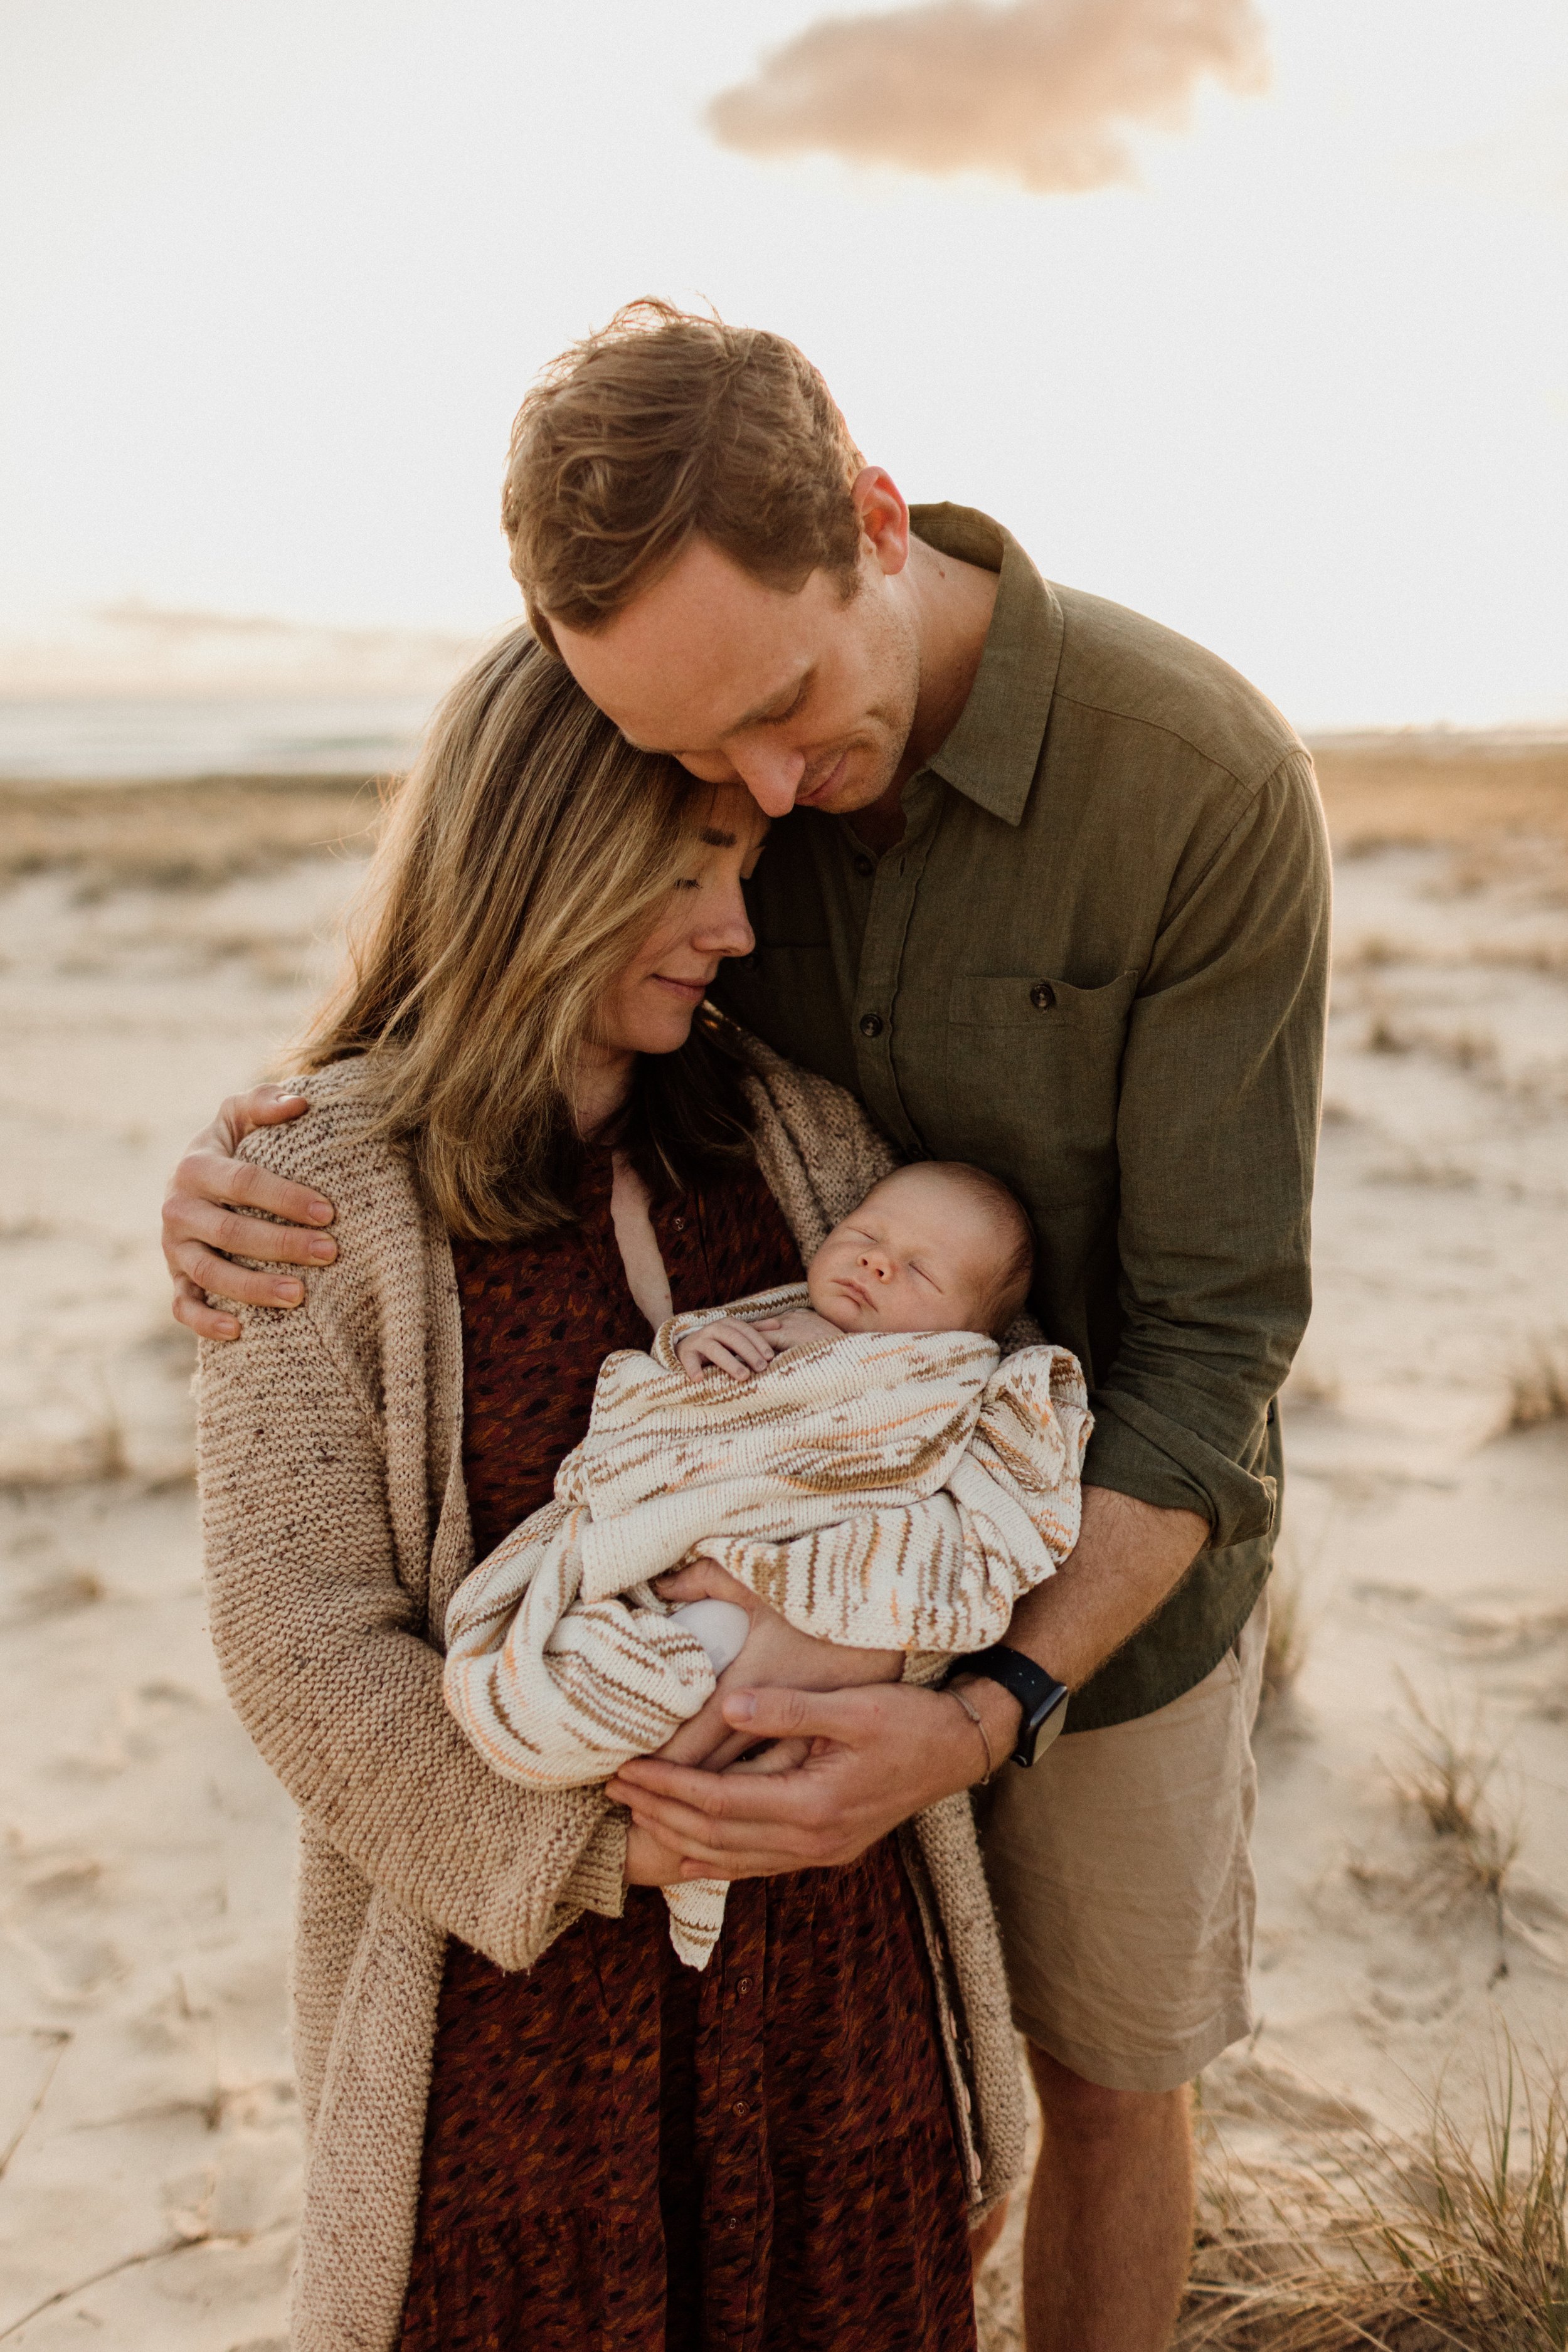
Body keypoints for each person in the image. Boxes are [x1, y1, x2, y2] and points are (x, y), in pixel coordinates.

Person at [166, 301, 1331, 2352]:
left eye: (786, 720)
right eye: (698, 780)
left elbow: (1217, 1349)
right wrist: (238, 1174)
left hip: (1116, 1553)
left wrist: (973, 1716)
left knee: (1112, 2079)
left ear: (878, 520)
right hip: (578, 1907)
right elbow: (305, 1610)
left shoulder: (1186, 784)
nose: (764, 807)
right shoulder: (655, 860)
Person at [194, 630, 1024, 2351]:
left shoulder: (802, 1141)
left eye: (741, 865)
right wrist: (608, 1836)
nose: (733, 925)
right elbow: (298, 1643)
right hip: (513, 2038)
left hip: (832, 1990)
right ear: (538, 863)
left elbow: (965, 1443)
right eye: (683, 867)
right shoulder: (310, 1189)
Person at [441, 1158, 1091, 1967]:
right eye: (864, 1237)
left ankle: (633, 1707)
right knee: (600, 1620)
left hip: (802, 1570)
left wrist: (829, 1609)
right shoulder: (773, 1315)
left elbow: (976, 1521)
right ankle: (584, 1693)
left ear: (971, 1335)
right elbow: (670, 1401)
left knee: (697, 1647)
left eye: (919, 1271)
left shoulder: (946, 1379)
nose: (878, 1262)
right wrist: (692, 1348)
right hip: (687, 1537)